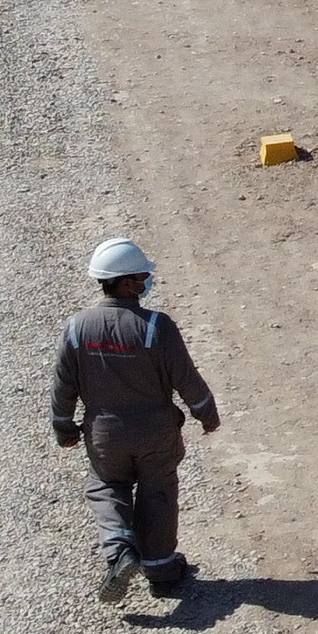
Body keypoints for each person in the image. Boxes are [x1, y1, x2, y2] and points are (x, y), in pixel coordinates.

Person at [51, 238, 221, 604]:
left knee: (107, 485)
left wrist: (63, 427)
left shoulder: (77, 328)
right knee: (157, 491)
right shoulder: (156, 327)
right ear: (127, 283)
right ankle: (160, 569)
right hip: (155, 432)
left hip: (104, 435)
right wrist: (206, 412)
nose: (147, 281)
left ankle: (119, 550)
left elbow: (64, 386)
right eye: (143, 276)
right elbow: (185, 378)